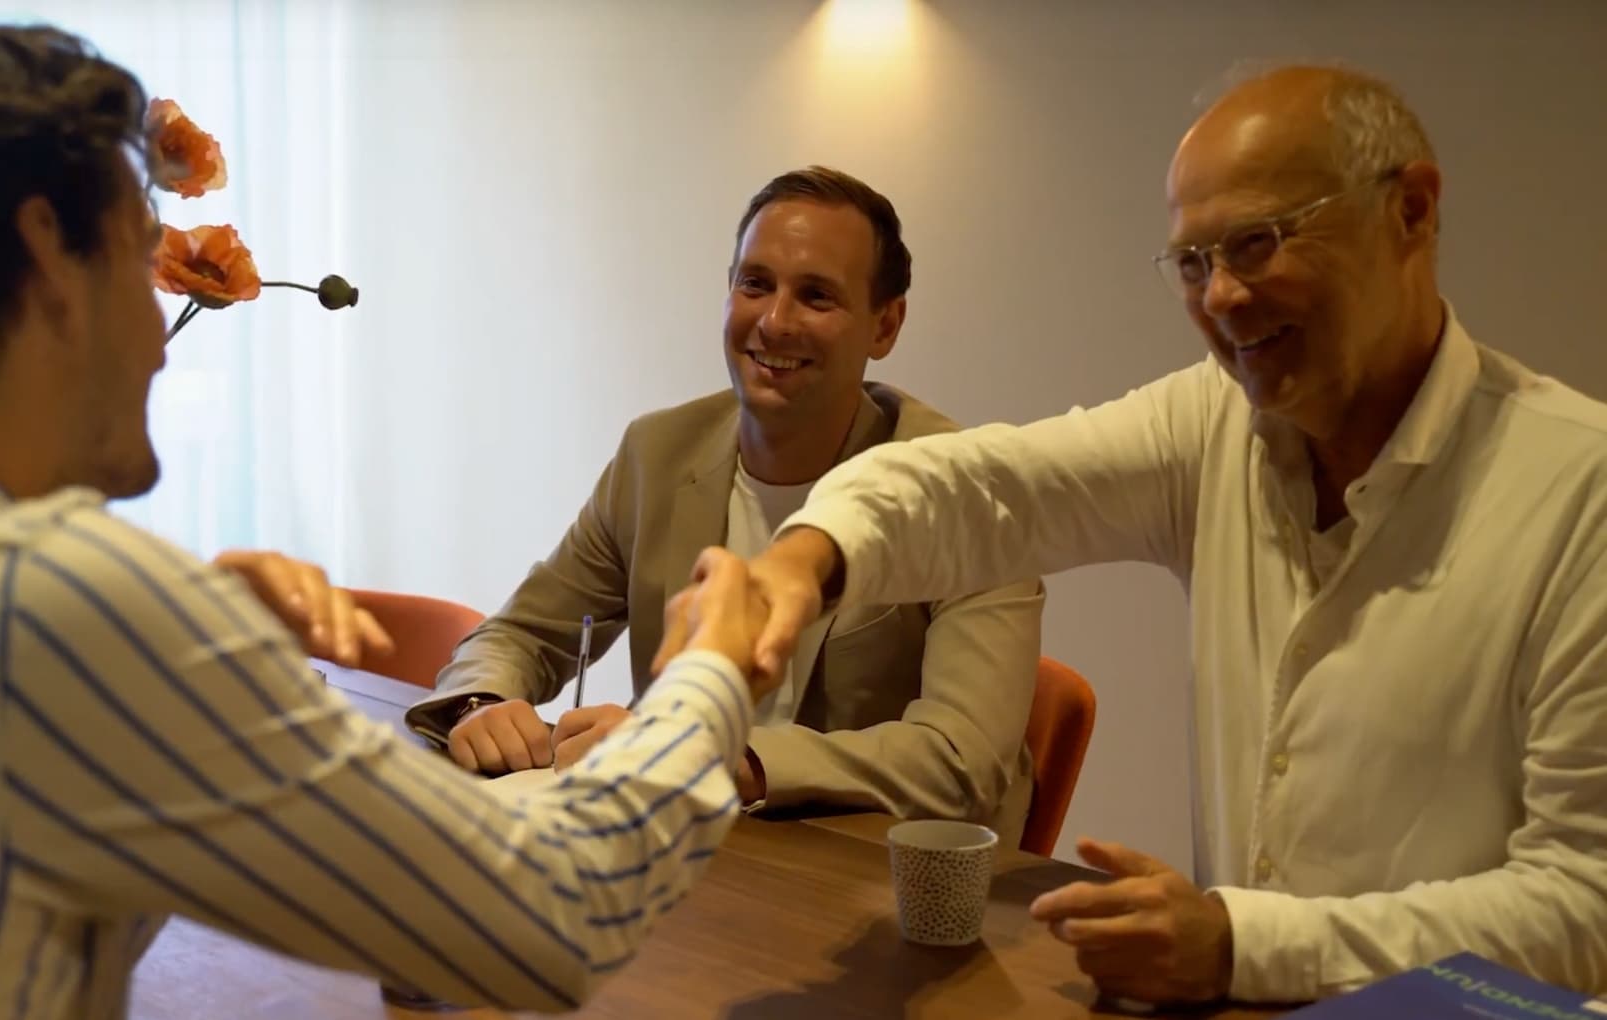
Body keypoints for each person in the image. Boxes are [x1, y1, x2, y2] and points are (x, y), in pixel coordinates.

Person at [0, 10, 776, 1018]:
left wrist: (174, 659)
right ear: (47, 257)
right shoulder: (48, 604)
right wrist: (709, 679)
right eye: (141, 260)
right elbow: (550, 917)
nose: (161, 343)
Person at [681, 65, 1607, 1004]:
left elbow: (1587, 906)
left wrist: (1241, 943)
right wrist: (800, 563)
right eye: (1193, 263)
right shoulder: (1215, 425)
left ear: (1410, 211)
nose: (1223, 296)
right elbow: (987, 490)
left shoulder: (1582, 492)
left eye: (1257, 243)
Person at [408, 167, 1043, 838]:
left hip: (872, 869)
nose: (774, 322)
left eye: (816, 296)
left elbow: (961, 759)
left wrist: (718, 759)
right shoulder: (656, 455)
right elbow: (522, 634)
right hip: (680, 856)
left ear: (885, 325)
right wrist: (482, 703)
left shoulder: (971, 493)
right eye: (755, 284)